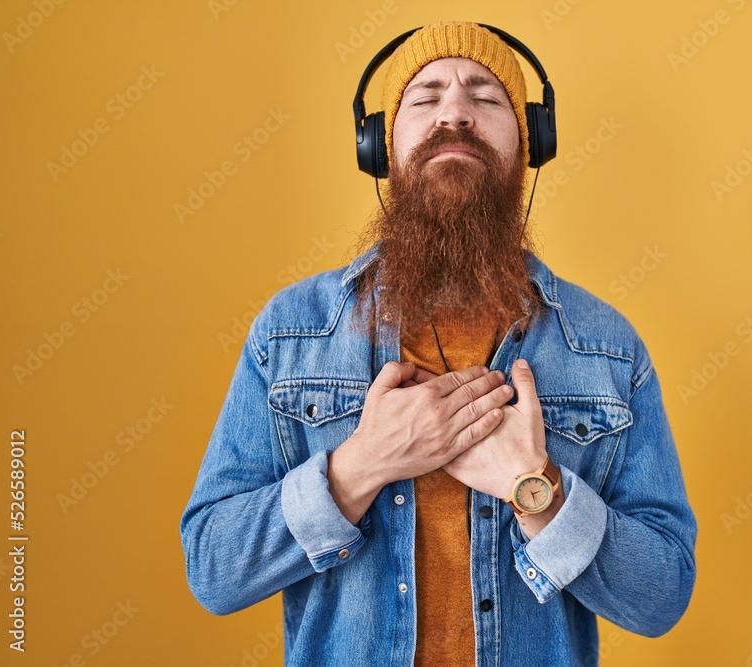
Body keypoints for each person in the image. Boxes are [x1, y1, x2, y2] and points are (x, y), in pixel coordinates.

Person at [180, 20, 696, 667]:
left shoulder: (606, 347)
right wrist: (360, 465)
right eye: (424, 98)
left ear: (531, 140)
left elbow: (662, 596)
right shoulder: (291, 332)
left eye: (485, 97)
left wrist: (535, 488)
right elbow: (214, 568)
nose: (454, 113)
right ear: (379, 147)